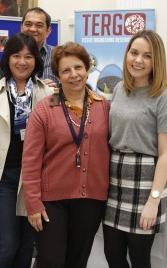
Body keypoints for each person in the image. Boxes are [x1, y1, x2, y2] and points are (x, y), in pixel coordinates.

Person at [0, 33, 53, 268]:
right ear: (7, 58)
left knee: (28, 243)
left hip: (34, 178)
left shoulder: (48, 94)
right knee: (7, 242)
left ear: (36, 60)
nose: (22, 62)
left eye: (28, 56)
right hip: (2, 175)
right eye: (16, 56)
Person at [22, 42, 110, 268]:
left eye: (78, 68)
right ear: (58, 75)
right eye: (66, 70)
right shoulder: (44, 109)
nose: (74, 75)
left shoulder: (104, 107)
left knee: (77, 261)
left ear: (87, 68)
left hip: (91, 199)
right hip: (51, 201)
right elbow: (30, 160)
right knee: (50, 260)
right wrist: (33, 203)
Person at [103, 30, 167, 268]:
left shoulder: (163, 95)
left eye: (147, 56)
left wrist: (154, 200)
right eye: (134, 53)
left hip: (145, 182)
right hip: (114, 180)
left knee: (140, 259)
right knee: (113, 256)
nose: (138, 60)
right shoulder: (119, 89)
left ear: (156, 60)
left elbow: (165, 154)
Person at [21, 7, 59, 87]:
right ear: (21, 28)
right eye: (28, 24)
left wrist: (57, 91)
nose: (32, 29)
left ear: (48, 31)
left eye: (39, 25)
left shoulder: (58, 55)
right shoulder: (10, 55)